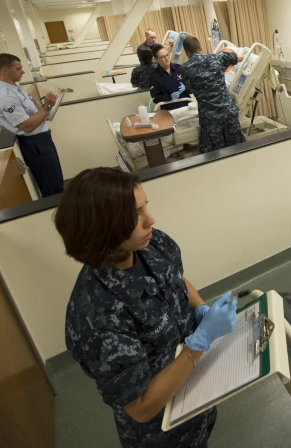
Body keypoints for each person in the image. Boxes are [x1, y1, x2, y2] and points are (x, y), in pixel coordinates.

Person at [56, 167, 237, 448]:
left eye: (145, 206)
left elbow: (175, 278)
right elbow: (140, 407)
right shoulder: (96, 316)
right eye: (134, 216)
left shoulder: (149, 243)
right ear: (103, 229)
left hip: (193, 392)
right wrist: (198, 344)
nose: (150, 220)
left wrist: (202, 309)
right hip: (161, 430)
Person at [0, 53, 64, 197]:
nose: (23, 71)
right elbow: (27, 126)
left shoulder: (15, 89)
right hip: (35, 144)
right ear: (5, 70)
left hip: (42, 140)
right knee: (51, 186)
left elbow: (32, 114)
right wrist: (47, 107)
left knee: (56, 180)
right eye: (18, 69)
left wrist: (45, 107)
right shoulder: (6, 97)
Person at [180, 36, 245, 154]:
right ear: (200, 47)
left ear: (186, 52)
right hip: (228, 113)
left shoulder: (184, 69)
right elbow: (240, 57)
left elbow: (189, 88)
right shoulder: (216, 58)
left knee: (214, 155)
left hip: (209, 119)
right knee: (237, 150)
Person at [148, 45, 190, 111]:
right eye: (162, 57)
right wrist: (169, 97)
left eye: (167, 55)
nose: (167, 58)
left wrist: (186, 87)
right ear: (156, 59)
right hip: (170, 110)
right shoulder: (154, 77)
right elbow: (156, 99)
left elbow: (192, 88)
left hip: (187, 106)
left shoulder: (179, 68)